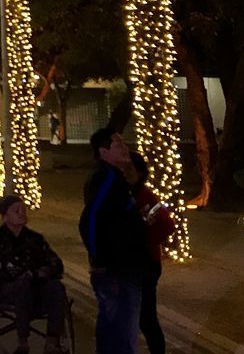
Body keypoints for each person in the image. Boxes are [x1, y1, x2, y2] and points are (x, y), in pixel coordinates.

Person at [0, 194, 67, 354]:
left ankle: (52, 340)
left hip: (36, 286)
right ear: (5, 217)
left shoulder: (35, 239)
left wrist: (44, 271)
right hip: (6, 289)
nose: (22, 213)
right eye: (16, 211)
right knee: (23, 285)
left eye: (23, 210)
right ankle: (23, 340)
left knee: (56, 287)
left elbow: (55, 263)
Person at [79, 127, 146, 354]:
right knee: (122, 332)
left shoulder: (116, 179)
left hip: (122, 267)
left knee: (112, 328)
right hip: (117, 270)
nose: (125, 148)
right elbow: (90, 218)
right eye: (118, 145)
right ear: (103, 151)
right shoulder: (106, 178)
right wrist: (100, 261)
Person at [128, 150, 174, 354]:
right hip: (134, 264)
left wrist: (147, 243)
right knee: (136, 316)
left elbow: (166, 224)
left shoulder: (144, 196)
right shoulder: (124, 194)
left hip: (145, 264)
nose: (125, 174)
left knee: (146, 318)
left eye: (130, 170)